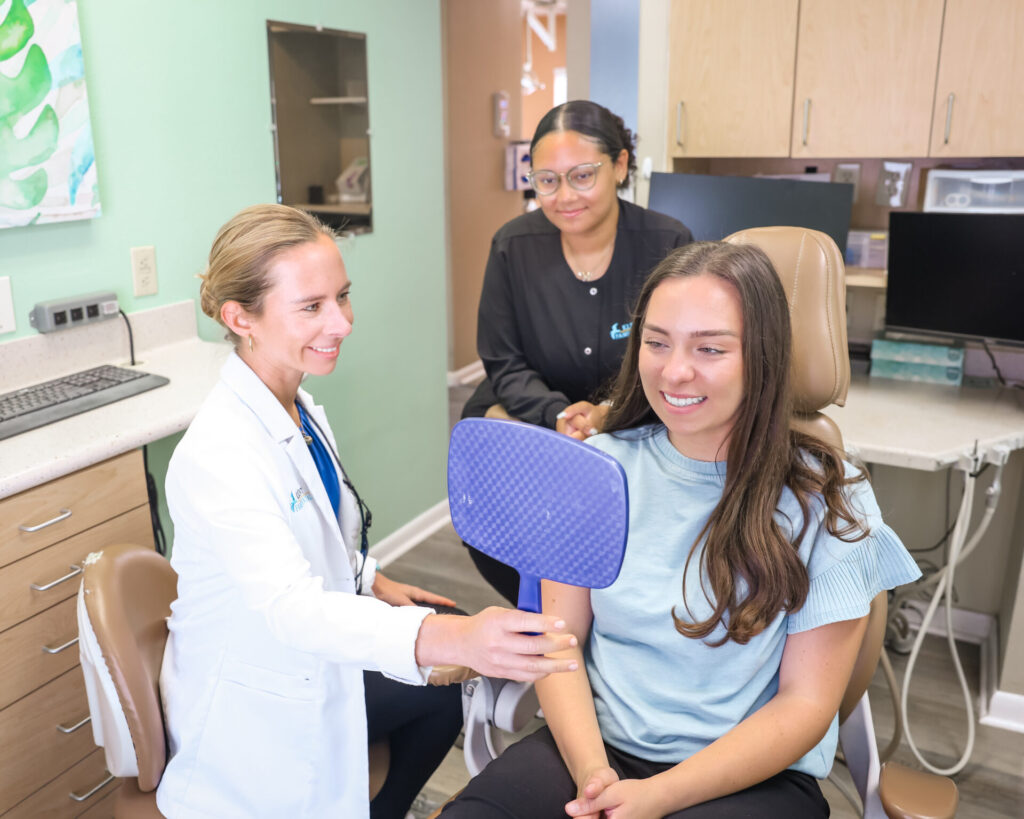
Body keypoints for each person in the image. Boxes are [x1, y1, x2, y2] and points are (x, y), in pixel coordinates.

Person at [441, 242, 921, 818]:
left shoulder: (827, 495)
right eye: (657, 342)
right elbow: (559, 641)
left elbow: (806, 706)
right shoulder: (595, 469)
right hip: (598, 751)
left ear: (762, 356)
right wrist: (596, 778)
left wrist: (657, 797)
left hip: (750, 774)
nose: (675, 371)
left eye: (710, 348)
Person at [157, 204, 579, 819]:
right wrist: (461, 638)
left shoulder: (297, 407)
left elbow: (316, 532)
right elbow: (293, 609)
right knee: (448, 647)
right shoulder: (219, 455)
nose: (342, 322)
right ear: (240, 317)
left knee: (442, 684)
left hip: (315, 650)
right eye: (312, 306)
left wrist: (370, 579)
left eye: (342, 297)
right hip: (256, 707)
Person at [462, 100, 693, 602]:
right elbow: (502, 359)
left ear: (620, 166)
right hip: (535, 408)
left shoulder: (667, 242)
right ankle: (543, 610)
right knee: (490, 444)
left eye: (582, 176)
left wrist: (612, 413)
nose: (564, 196)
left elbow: (679, 356)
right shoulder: (512, 245)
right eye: (547, 180)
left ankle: (610, 615)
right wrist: (558, 415)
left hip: (637, 411)